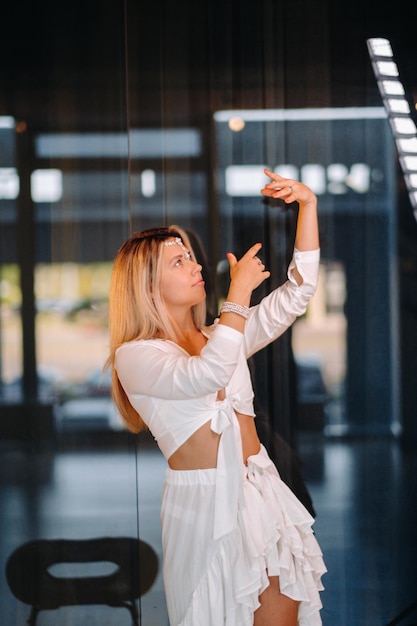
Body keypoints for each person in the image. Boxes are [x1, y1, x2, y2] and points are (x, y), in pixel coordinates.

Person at [106, 168, 326, 626]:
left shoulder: (221, 334)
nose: (196, 266)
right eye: (179, 262)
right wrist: (238, 294)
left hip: (261, 490)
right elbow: (205, 376)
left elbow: (296, 294)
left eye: (191, 257)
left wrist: (308, 206)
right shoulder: (136, 356)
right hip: (204, 508)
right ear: (147, 286)